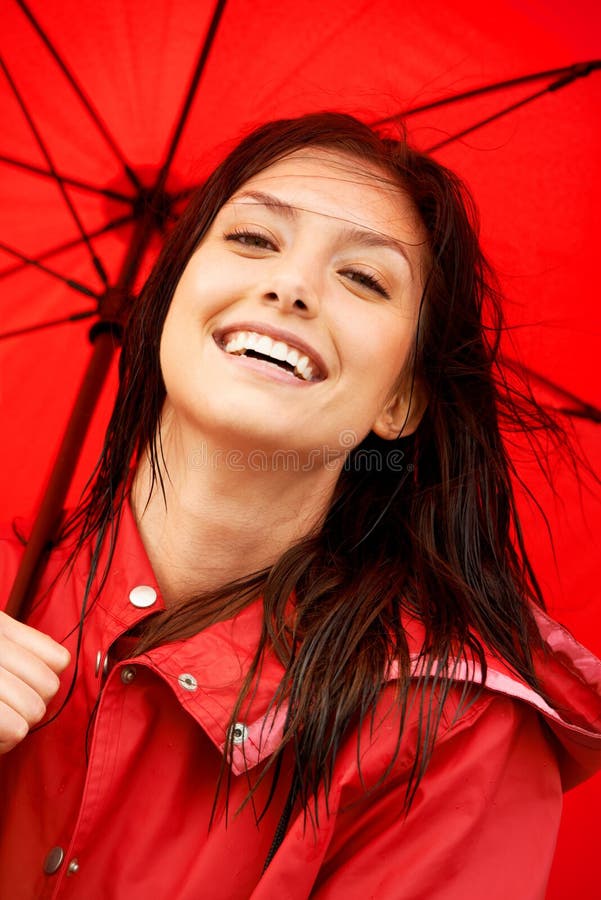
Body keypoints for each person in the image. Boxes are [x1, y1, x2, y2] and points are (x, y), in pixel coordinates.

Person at [0, 111, 600, 900]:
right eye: (252, 239)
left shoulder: (447, 732)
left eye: (363, 278)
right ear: (166, 301)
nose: (290, 286)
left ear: (402, 400)